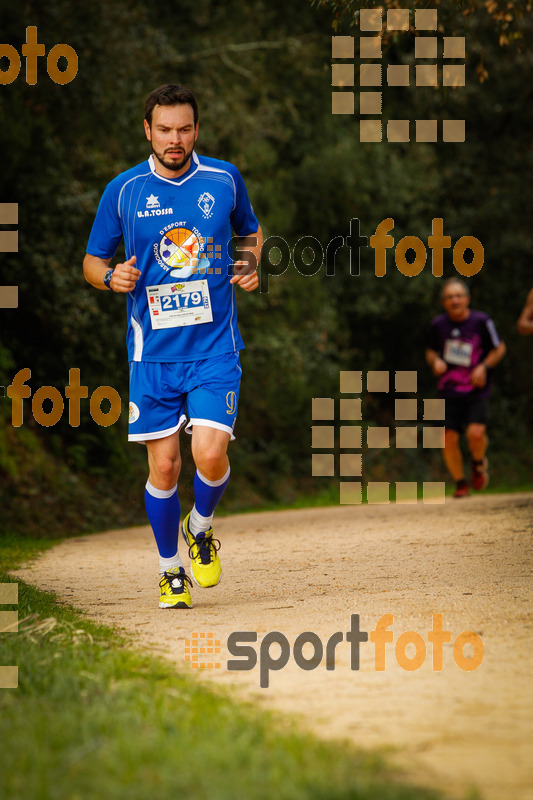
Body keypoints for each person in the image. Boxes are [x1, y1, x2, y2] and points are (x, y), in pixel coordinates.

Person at [83, 84, 262, 608]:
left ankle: (200, 528)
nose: (175, 139)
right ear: (148, 130)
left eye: (184, 129)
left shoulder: (223, 179)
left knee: (209, 453)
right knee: (164, 468)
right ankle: (170, 571)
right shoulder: (123, 190)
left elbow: (249, 232)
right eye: (165, 130)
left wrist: (249, 263)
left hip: (214, 348)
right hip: (153, 355)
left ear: (196, 130)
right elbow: (93, 260)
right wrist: (109, 276)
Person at [425, 278, 506, 498]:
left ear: (467, 299)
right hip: (448, 390)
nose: (454, 300)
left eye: (458, 296)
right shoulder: (438, 325)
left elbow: (499, 349)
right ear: (444, 302)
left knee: (475, 433)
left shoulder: (481, 321)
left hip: (475, 388)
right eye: (450, 297)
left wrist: (484, 367)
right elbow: (430, 351)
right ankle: (460, 483)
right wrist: (435, 362)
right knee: (447, 436)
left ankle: (478, 463)